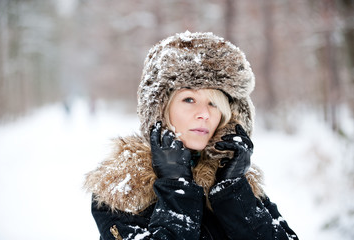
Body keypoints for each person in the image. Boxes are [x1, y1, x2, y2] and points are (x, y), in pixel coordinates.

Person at [84, 31, 299, 240]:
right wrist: (175, 187)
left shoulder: (239, 185)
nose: (204, 114)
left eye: (213, 103)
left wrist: (232, 191)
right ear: (161, 108)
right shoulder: (122, 188)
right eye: (189, 99)